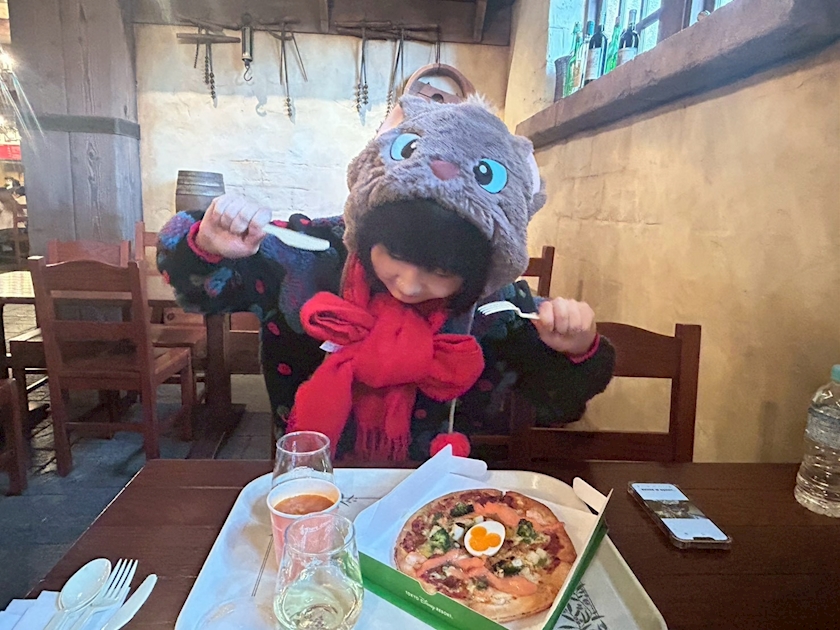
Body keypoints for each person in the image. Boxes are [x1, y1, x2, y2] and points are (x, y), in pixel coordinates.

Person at [158, 95, 615, 461]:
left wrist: (578, 349)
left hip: (437, 502)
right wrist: (208, 243)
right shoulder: (307, 257)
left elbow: (559, 406)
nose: (410, 285)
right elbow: (198, 294)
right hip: (310, 484)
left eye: (441, 273)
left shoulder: (496, 304)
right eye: (395, 255)